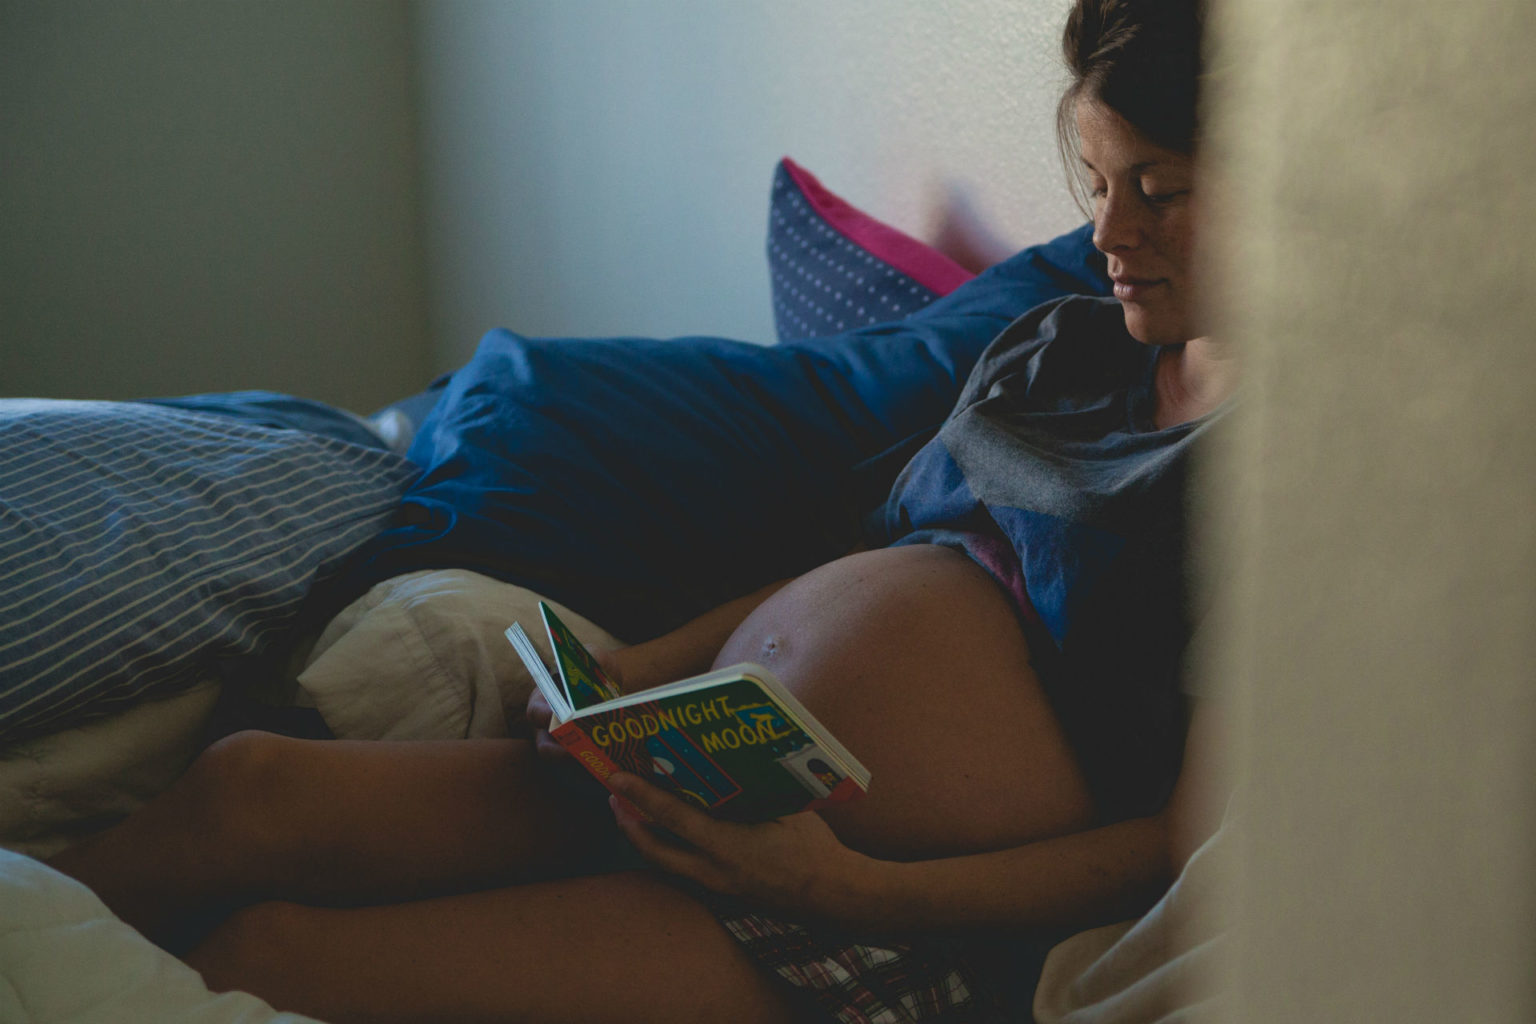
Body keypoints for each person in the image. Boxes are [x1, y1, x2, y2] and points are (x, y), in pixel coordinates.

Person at [48, 0, 1232, 1020]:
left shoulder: (1279, 492)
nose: (1108, 236)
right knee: (249, 788)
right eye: (1095, 185)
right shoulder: (1066, 345)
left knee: (276, 958)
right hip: (695, 767)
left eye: (1158, 191)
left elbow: (1178, 845)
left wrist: (837, 887)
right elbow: (896, 554)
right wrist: (631, 675)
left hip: (874, 906)